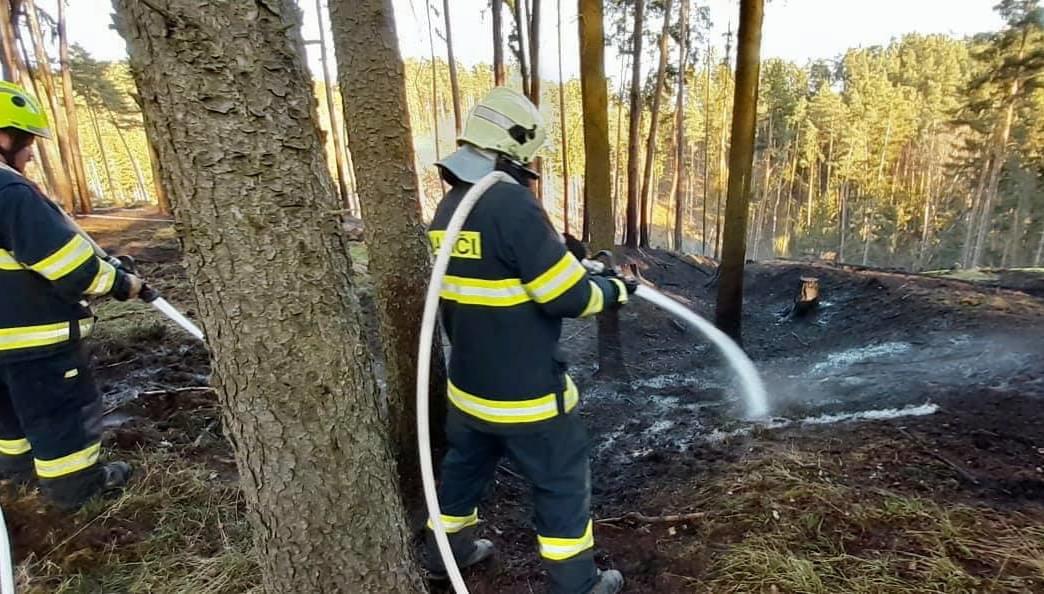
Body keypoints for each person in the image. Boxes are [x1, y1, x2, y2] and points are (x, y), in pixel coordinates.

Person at [426, 86, 633, 594]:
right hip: (529, 398)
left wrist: (569, 262)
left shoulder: (450, 208)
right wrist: (616, 290)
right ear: (516, 146)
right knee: (562, 485)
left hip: (469, 392)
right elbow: (567, 297)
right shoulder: (512, 202)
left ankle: (445, 555)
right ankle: (577, 585)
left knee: (462, 475)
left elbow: (503, 271)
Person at [0, 81, 143, 510]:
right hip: (33, 343)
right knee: (60, 417)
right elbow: (68, 264)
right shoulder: (10, 192)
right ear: (3, 137)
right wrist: (121, 282)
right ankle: (76, 493)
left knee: (10, 419)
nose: (30, 153)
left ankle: (19, 478)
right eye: (27, 140)